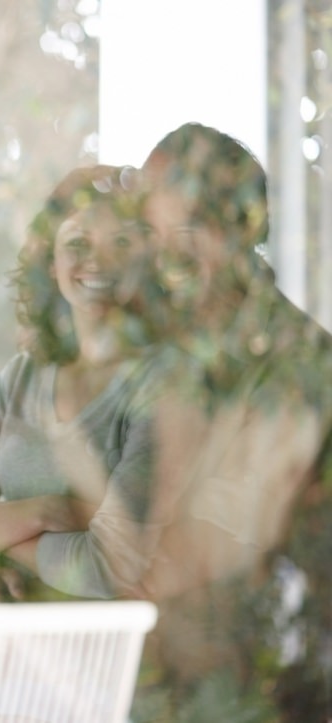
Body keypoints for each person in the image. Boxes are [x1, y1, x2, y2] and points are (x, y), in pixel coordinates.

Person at [130, 121, 332, 720]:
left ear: (238, 234)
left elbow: (200, 555)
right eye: (150, 233)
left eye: (186, 234)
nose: (164, 260)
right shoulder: (165, 361)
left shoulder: (295, 370)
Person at [0, 163, 176, 602]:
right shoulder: (21, 377)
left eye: (121, 242)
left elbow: (111, 567)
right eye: (77, 242)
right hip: (11, 650)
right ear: (50, 262)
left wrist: (1, 540)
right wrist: (52, 512)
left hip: (120, 658)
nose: (98, 260)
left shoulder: (160, 384)